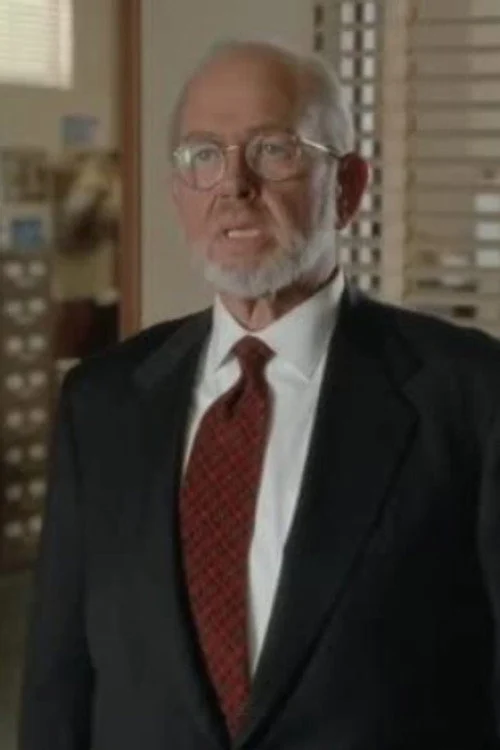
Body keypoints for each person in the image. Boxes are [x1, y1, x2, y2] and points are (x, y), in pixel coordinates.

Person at [20, 39, 500, 750]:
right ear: (178, 193)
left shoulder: (470, 395)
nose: (233, 185)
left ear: (349, 187)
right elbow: (59, 685)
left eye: (274, 150)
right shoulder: (104, 401)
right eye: (203, 155)